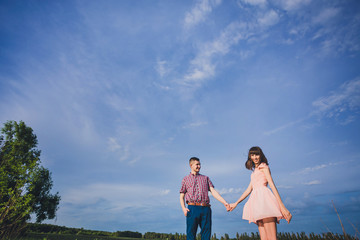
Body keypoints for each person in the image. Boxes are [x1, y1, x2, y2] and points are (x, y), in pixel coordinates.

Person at [229, 146, 292, 240]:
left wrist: (282, 207)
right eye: (252, 155)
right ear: (250, 157)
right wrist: (236, 203)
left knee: (272, 238)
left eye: (257, 154)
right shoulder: (254, 172)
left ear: (261, 155)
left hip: (265, 202)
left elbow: (272, 185)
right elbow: (249, 189)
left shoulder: (264, 167)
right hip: (257, 205)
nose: (255, 157)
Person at [180, 157, 230, 240]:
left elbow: (213, 191)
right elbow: (181, 196)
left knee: (206, 234)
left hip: (205, 208)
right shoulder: (185, 179)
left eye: (199, 164)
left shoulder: (205, 178)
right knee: (191, 234)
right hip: (192, 208)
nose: (199, 166)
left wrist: (224, 202)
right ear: (191, 165)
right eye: (197, 164)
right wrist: (183, 208)